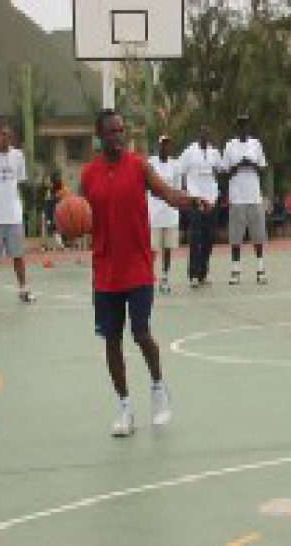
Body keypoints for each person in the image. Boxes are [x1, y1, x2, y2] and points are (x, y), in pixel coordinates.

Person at [81, 109, 210, 437]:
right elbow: (79, 217)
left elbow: (167, 193)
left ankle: (158, 385)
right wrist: (67, 224)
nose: (118, 136)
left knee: (141, 333)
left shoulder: (138, 166)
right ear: (100, 136)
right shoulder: (89, 174)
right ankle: (124, 407)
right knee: (112, 341)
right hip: (105, 270)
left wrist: (192, 201)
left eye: (121, 130)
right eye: (111, 131)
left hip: (137, 266)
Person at [0, 122, 36, 306]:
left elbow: (20, 182)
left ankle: (23, 290)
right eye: (2, 135)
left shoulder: (18, 156)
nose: (6, 138)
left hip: (13, 214)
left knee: (18, 255)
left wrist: (19, 205)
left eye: (9, 136)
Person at [223, 114, 268, 286]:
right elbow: (225, 172)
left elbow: (262, 169)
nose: (243, 128)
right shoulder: (230, 145)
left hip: (254, 196)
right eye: (240, 125)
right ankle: (235, 271)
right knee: (236, 237)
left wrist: (252, 164)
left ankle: (260, 269)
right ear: (237, 128)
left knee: (258, 235)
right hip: (237, 197)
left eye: (246, 125)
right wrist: (237, 165)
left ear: (249, 127)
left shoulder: (256, 144)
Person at [180, 126, 222, 288]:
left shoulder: (214, 153)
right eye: (202, 134)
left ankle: (203, 273)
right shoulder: (189, 152)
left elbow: (219, 171)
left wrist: (214, 197)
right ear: (198, 136)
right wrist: (188, 195)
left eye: (207, 134)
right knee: (196, 238)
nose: (205, 137)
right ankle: (193, 275)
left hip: (211, 201)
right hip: (196, 201)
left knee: (209, 238)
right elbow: (181, 172)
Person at [147, 135, 181, 295]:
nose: (165, 148)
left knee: (168, 249)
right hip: (154, 214)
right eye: (163, 145)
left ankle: (165, 278)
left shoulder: (175, 165)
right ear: (158, 146)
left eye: (168, 145)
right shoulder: (150, 163)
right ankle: (148, 277)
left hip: (170, 213)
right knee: (151, 249)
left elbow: (177, 189)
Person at [43, 171, 70, 251]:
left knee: (55, 228)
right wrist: (48, 218)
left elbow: (65, 201)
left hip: (60, 212)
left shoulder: (63, 189)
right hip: (52, 213)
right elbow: (48, 205)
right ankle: (47, 245)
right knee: (50, 228)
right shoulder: (51, 191)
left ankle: (62, 244)